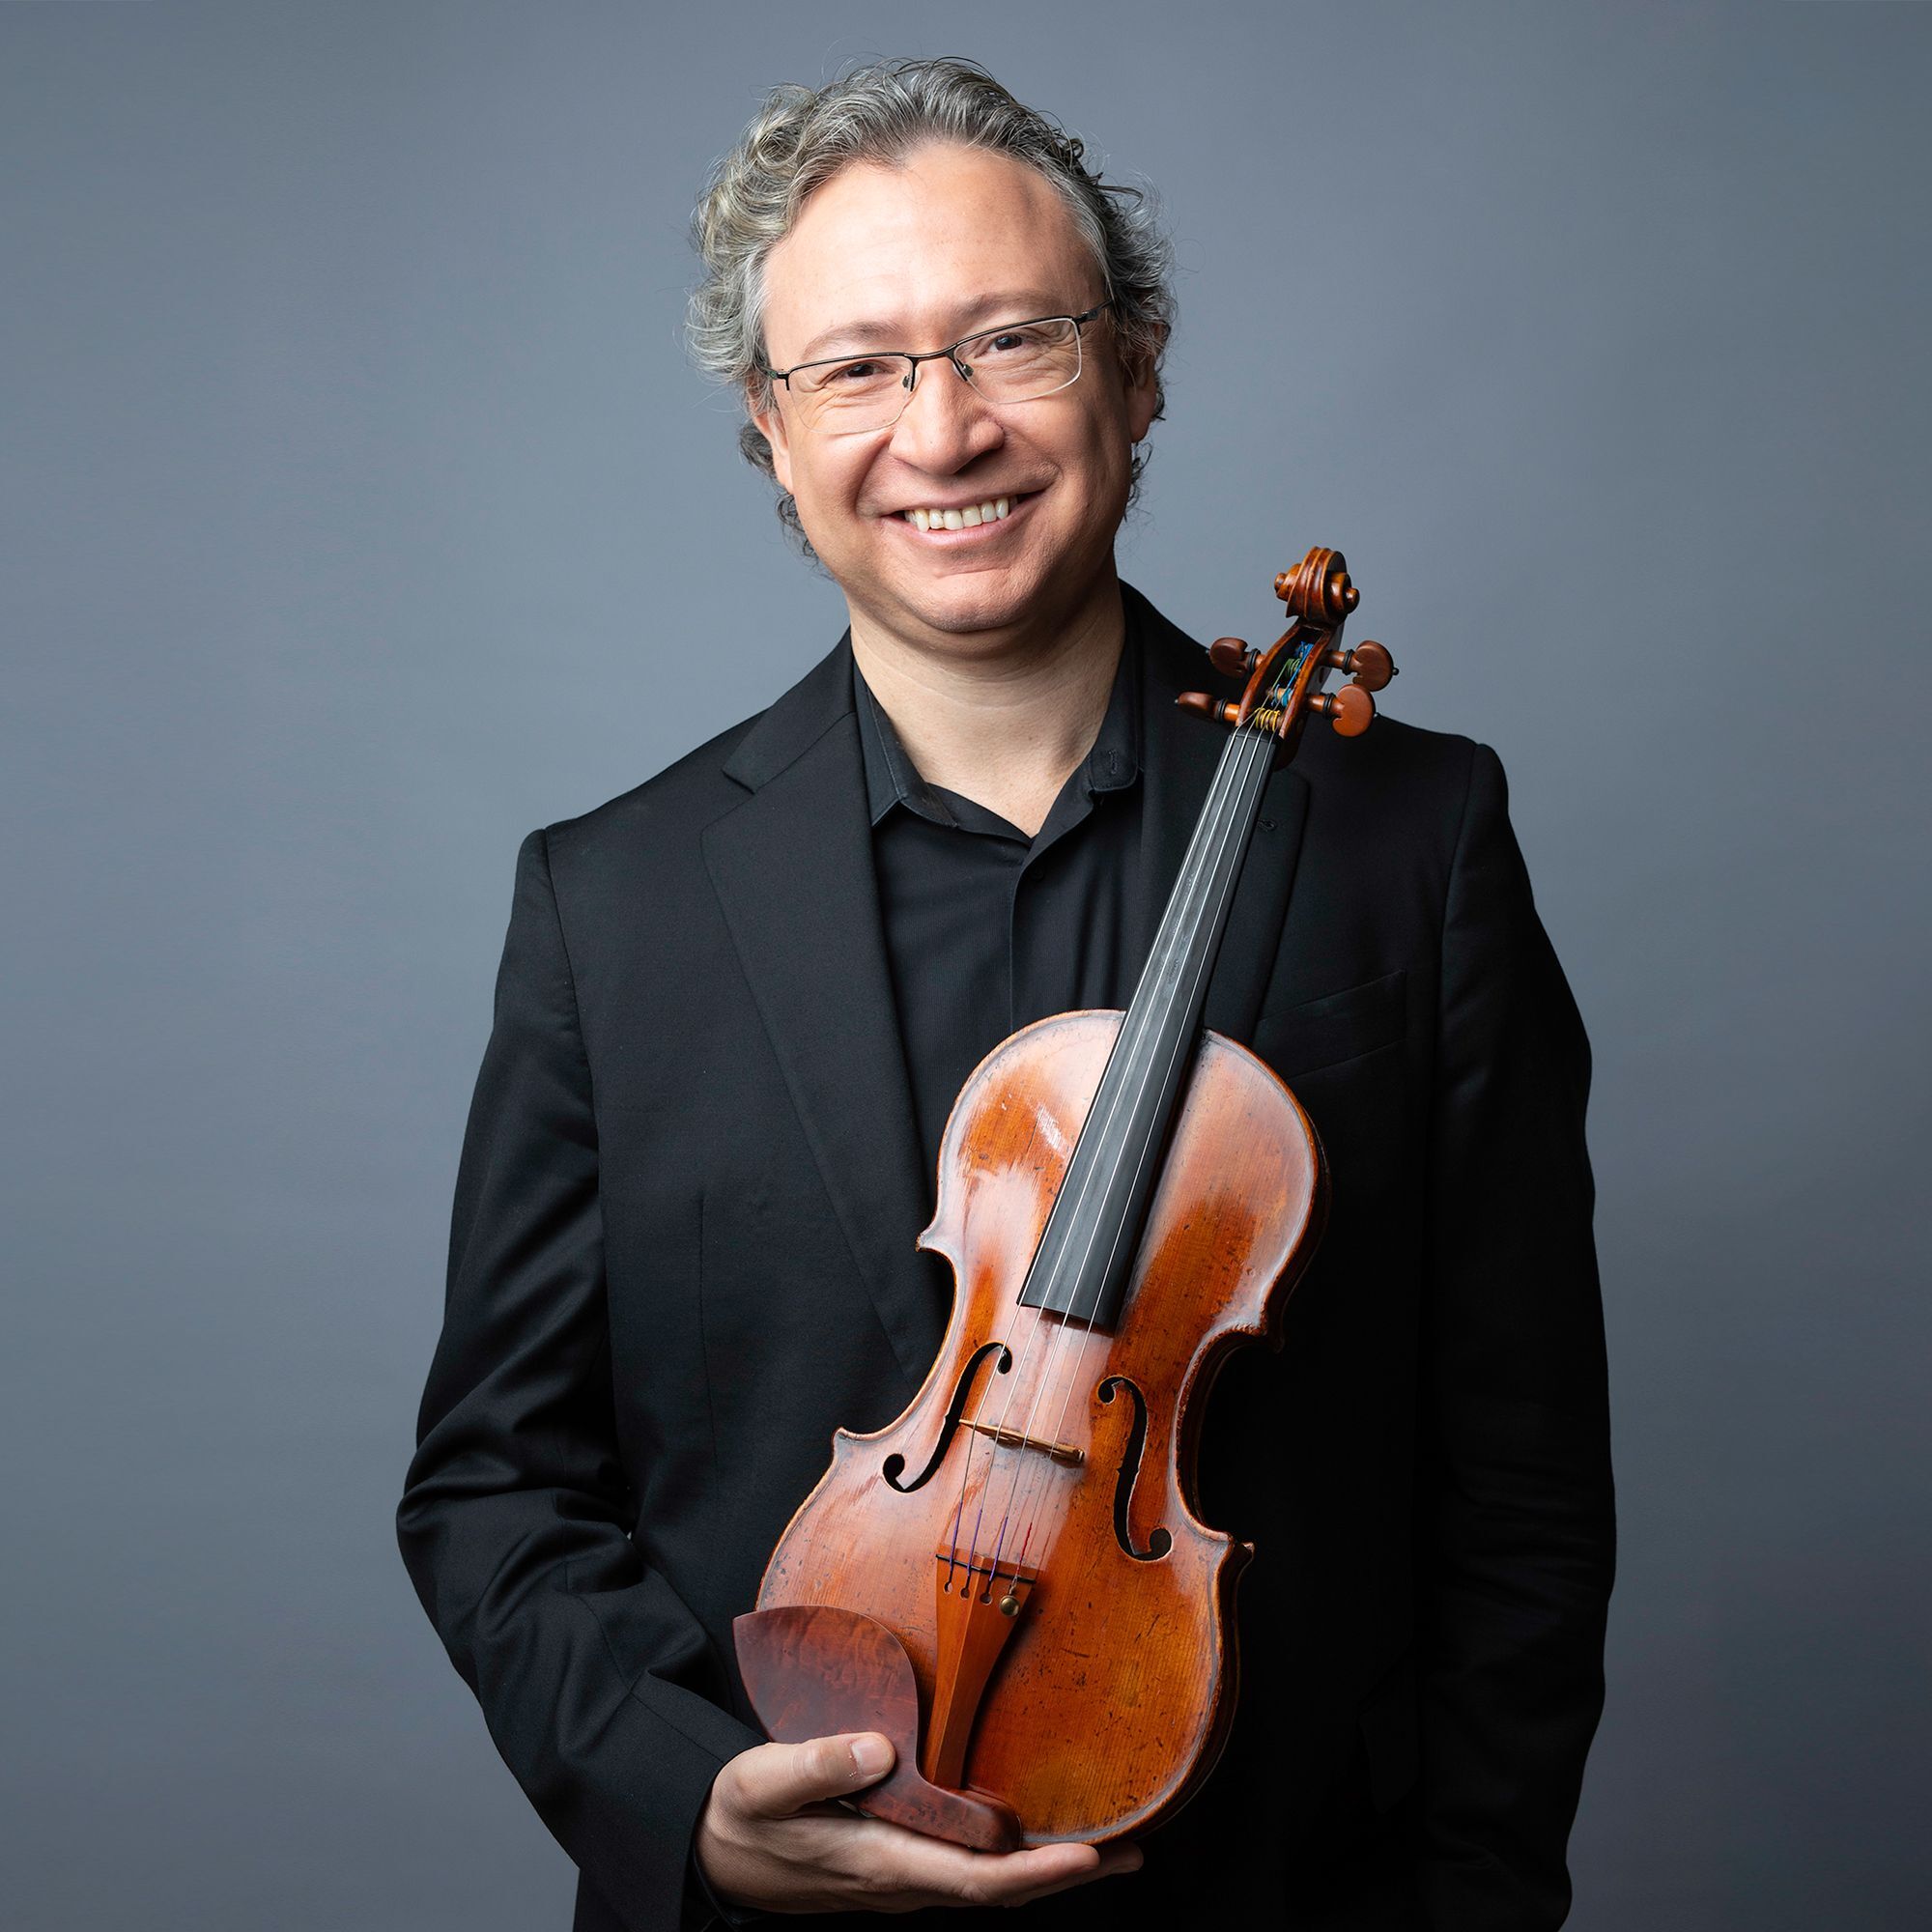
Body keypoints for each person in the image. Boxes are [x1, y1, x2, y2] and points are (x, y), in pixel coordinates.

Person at [397, 57, 1614, 1932]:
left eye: (1010, 342)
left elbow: (1521, 1483)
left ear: (1132, 371)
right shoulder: (609, 899)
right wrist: (688, 1799)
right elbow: (495, 1481)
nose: (940, 429)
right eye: (858, 366)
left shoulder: (1406, 839)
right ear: (772, 430)